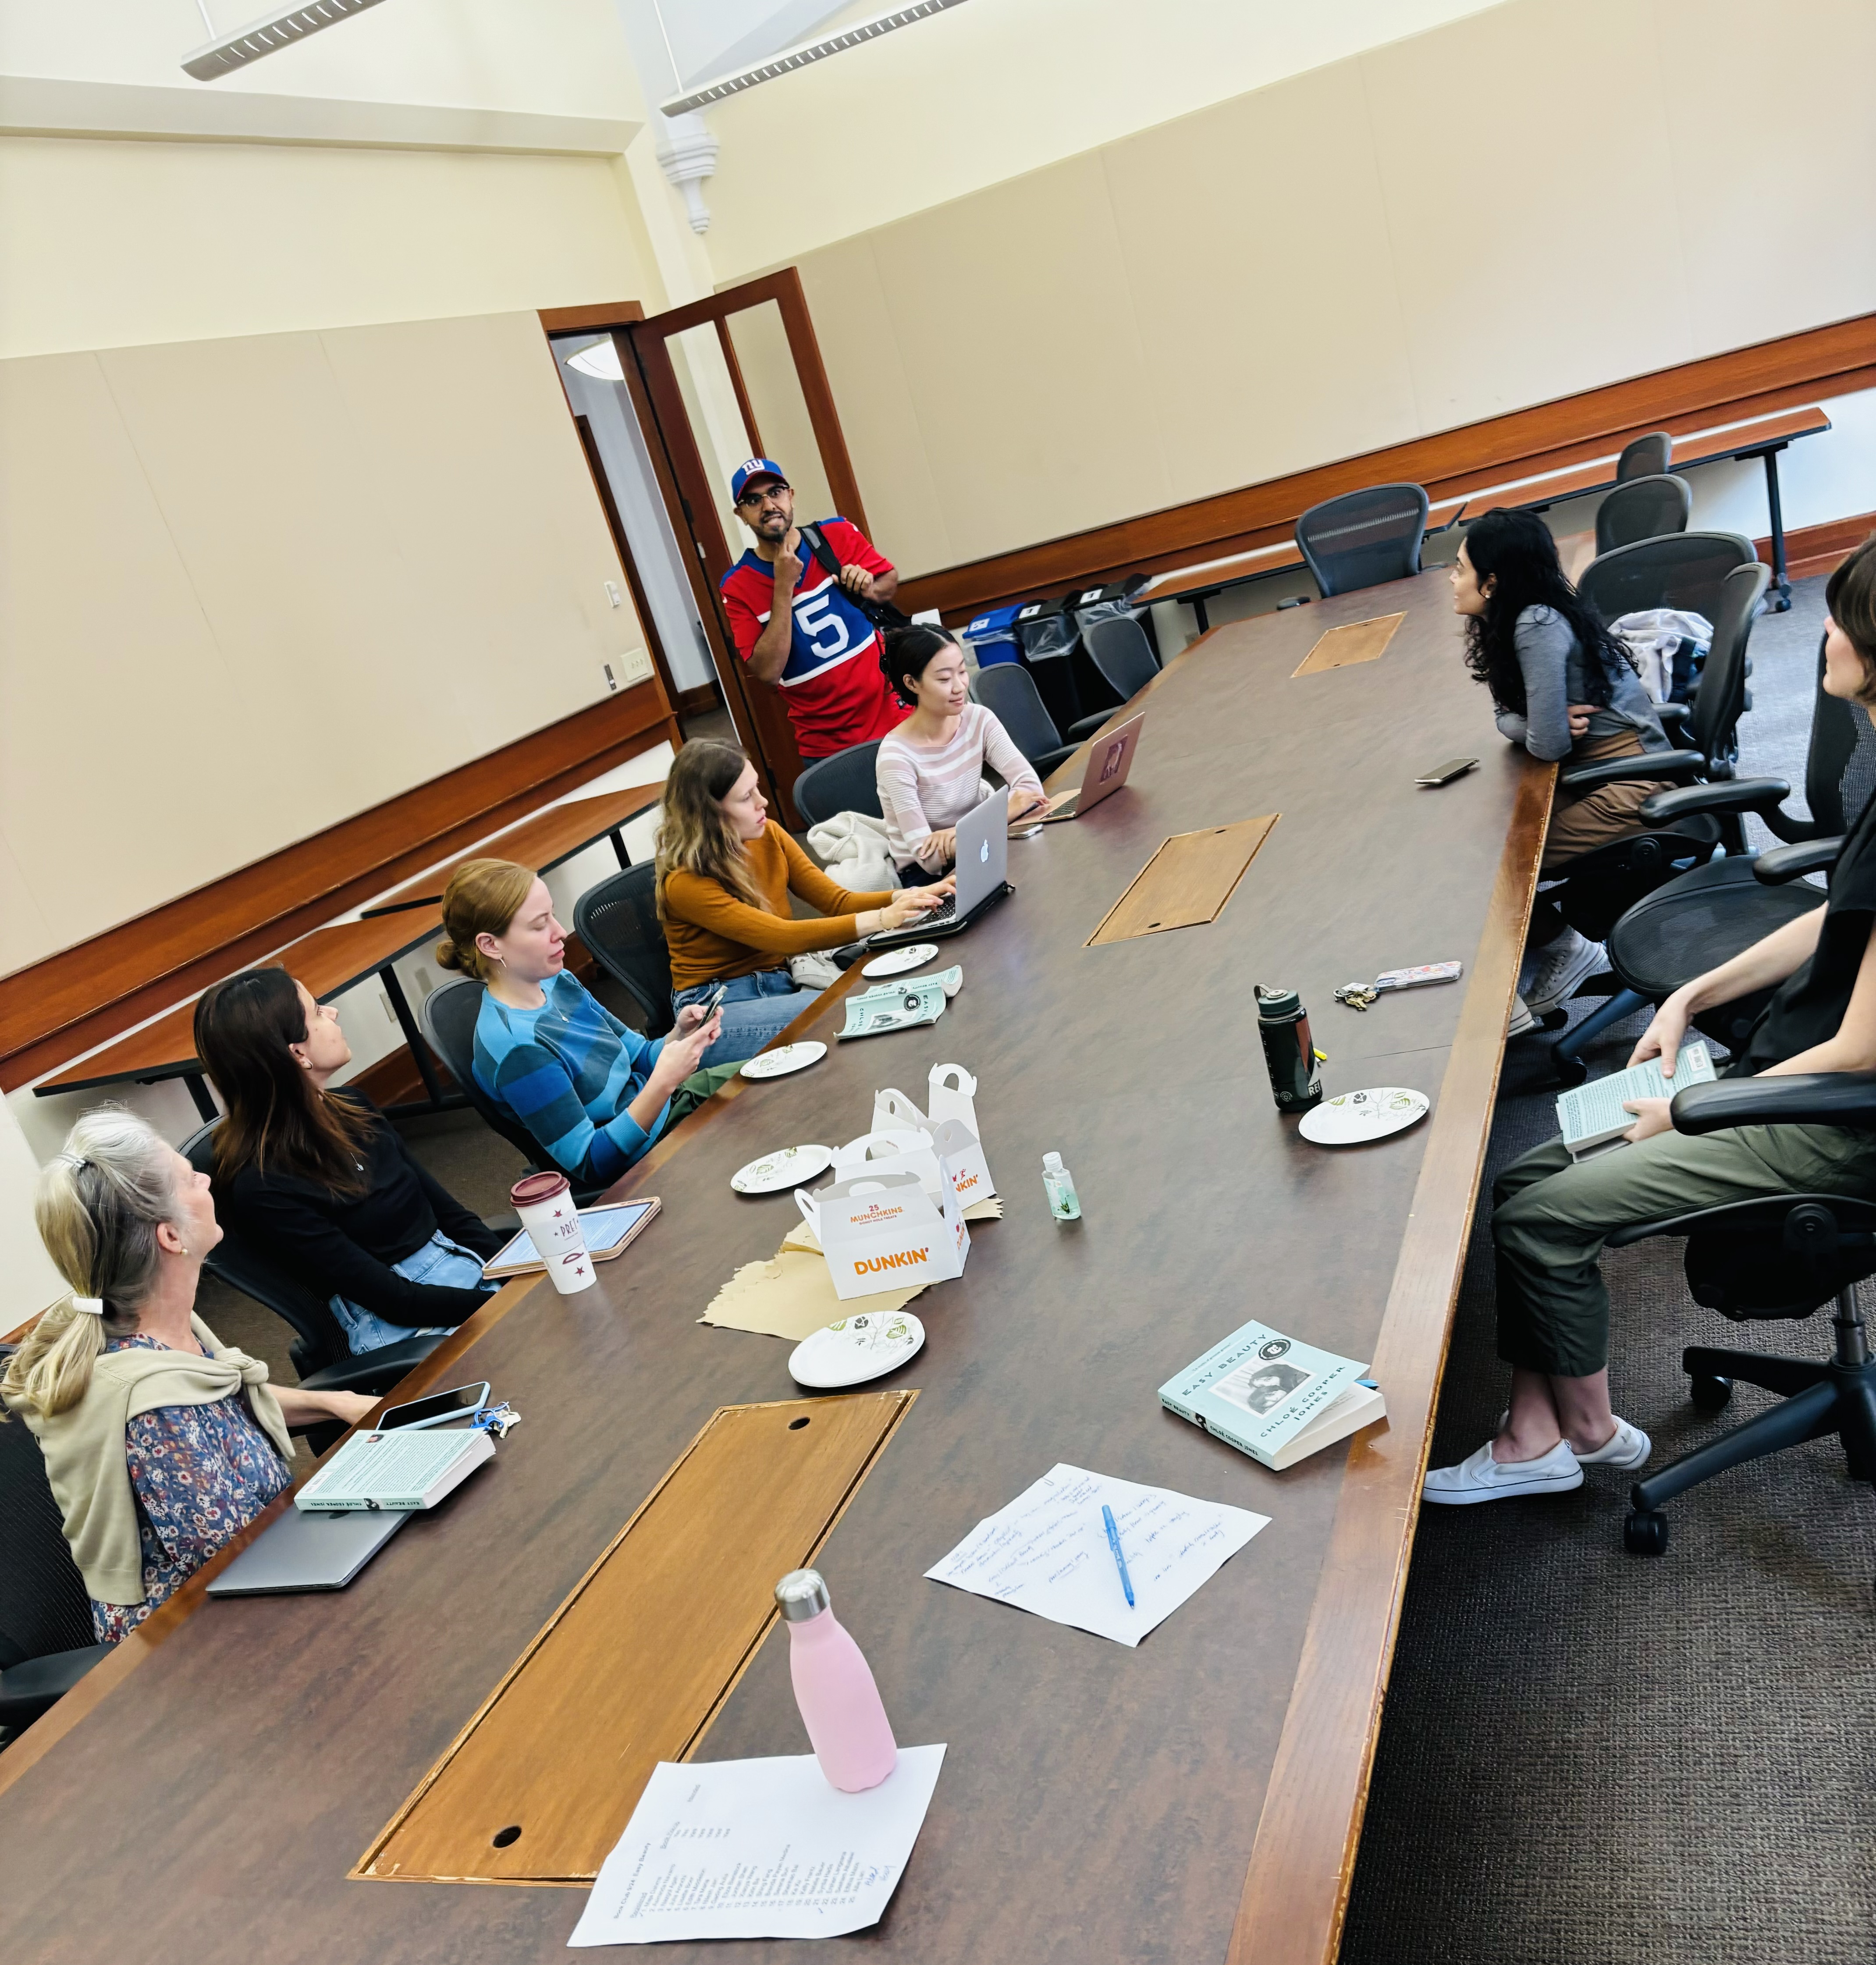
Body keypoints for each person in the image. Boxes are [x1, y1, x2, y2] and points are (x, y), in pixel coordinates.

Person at [1425, 537, 1876, 1506]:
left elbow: (1861, 1051)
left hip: (1828, 1122)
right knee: (1525, 1178)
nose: (1824, 630)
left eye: (1843, 618)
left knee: (1542, 1217)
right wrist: (1689, 995)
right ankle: (1542, 1431)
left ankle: (1571, 1432)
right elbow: (1832, 915)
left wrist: (1693, 1111)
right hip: (1781, 1069)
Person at [1, 1109, 377, 1640]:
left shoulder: (144, 1320)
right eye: (189, 1177)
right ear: (172, 1236)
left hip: (268, 1565)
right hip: (204, 1640)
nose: (205, 1178)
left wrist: (334, 1402)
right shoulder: (158, 1413)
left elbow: (219, 1395)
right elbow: (239, 1566)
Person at [194, 968, 504, 1355]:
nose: (334, 1013)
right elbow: (394, 1300)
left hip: (467, 1274)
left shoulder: (356, 1105)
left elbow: (453, 1216)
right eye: (317, 1012)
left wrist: (519, 1269)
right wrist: (504, 1305)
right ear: (297, 1053)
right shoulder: (263, 1183)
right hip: (408, 1329)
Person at [1452, 508, 1673, 1033]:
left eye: (1460, 569)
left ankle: (1560, 951)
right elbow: (1511, 720)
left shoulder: (1535, 624)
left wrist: (1530, 724)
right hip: (1593, 776)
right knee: (1480, 844)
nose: (1451, 579)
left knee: (1486, 871)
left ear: (1492, 581)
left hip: (1634, 786)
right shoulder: (1513, 622)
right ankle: (1557, 947)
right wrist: (1527, 720)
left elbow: (1547, 743)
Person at [658, 740, 952, 1066]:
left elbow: (836, 900)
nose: (763, 801)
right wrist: (884, 917)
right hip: (713, 1010)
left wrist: (905, 897)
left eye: (757, 788)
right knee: (840, 1015)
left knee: (861, 1008)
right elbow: (783, 936)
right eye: (746, 797)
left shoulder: (767, 835)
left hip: (778, 981)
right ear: (709, 814)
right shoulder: (684, 883)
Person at [441, 859, 731, 1187]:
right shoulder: (519, 1049)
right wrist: (664, 1082)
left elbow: (638, 1057)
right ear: (491, 945)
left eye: (552, 914)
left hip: (669, 1108)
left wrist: (679, 1034)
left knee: (776, 1077)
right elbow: (590, 1163)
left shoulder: (558, 981)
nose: (561, 932)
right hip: (645, 1157)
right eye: (540, 925)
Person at [717, 457, 913, 760]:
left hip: (896, 718)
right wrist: (783, 585)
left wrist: (870, 589)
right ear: (741, 514)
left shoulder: (836, 534)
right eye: (754, 500)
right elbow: (768, 672)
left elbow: (889, 581)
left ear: (791, 495)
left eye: (776, 492)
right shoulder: (736, 585)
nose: (768, 506)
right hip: (827, 747)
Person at [874, 625, 1046, 880]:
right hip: (930, 878)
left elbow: (1032, 790)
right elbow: (929, 859)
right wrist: (1006, 813)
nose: (959, 686)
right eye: (944, 679)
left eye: (962, 672)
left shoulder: (978, 719)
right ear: (911, 683)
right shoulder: (896, 757)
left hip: (984, 841)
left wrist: (953, 834)